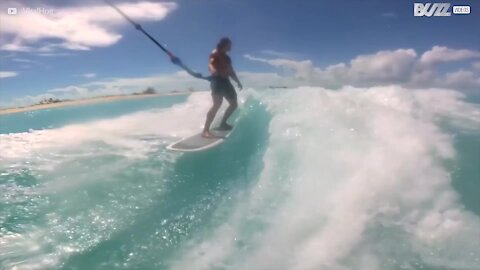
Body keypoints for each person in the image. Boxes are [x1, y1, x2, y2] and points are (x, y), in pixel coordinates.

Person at [202, 37, 243, 138]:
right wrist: (212, 70)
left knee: (234, 104)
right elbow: (210, 63)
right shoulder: (215, 53)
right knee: (217, 104)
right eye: (230, 45)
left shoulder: (228, 58)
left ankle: (223, 124)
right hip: (217, 81)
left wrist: (238, 81)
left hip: (226, 82)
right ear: (225, 45)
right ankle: (205, 130)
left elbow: (231, 71)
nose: (231, 47)